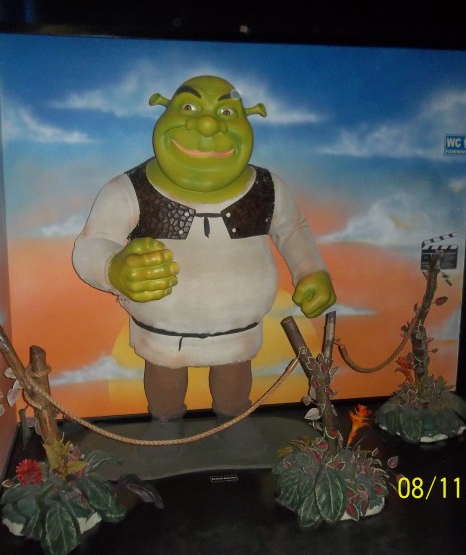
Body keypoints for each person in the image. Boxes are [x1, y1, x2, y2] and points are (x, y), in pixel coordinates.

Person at [73, 75, 335, 460]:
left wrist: (311, 271)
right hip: (162, 329)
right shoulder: (129, 189)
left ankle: (233, 420)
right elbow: (92, 243)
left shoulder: (268, 188)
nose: (208, 124)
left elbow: (292, 229)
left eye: (226, 112)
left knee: (234, 373)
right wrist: (113, 269)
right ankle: (165, 424)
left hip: (238, 326)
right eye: (190, 108)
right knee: (164, 372)